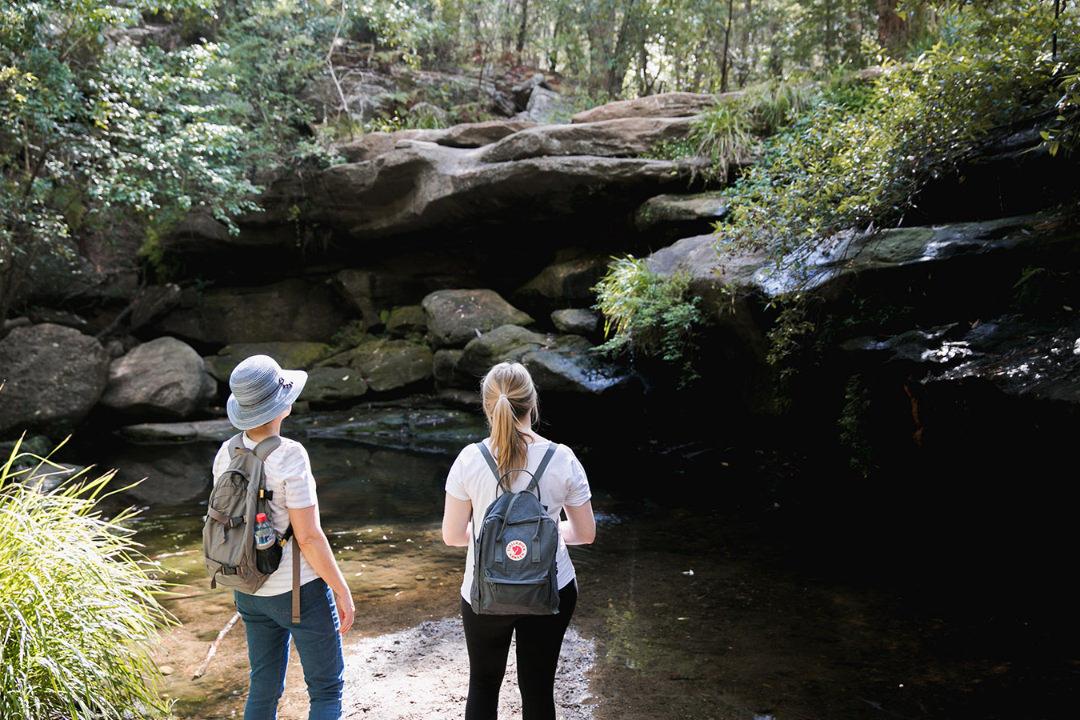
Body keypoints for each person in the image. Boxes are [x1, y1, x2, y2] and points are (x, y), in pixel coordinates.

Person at [441, 361, 597, 720]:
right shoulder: (563, 458)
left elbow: (452, 536)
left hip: (484, 590)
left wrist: (495, 543)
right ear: (533, 403)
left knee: (482, 683)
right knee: (539, 687)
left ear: (487, 406)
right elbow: (585, 534)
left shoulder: (469, 459)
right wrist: (543, 538)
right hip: (550, 587)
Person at [211, 355, 356, 720]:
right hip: (298, 593)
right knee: (325, 691)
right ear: (279, 406)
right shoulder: (291, 456)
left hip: (246, 587)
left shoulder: (225, 452)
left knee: (263, 688)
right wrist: (340, 588)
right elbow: (308, 537)